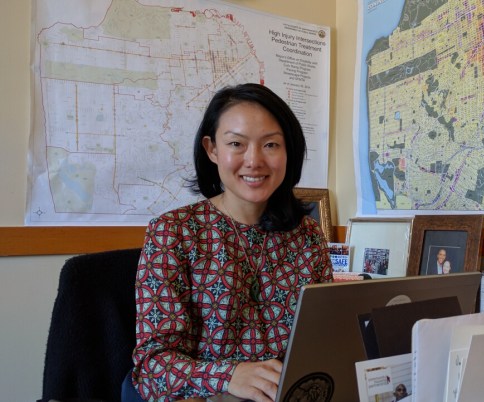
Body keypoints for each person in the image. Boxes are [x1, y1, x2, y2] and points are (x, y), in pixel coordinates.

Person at [126, 83, 333, 402]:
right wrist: (228, 375)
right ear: (212, 149)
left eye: (271, 145)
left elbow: (324, 338)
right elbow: (152, 367)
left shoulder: (307, 235)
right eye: (237, 143)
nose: (254, 161)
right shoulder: (173, 232)